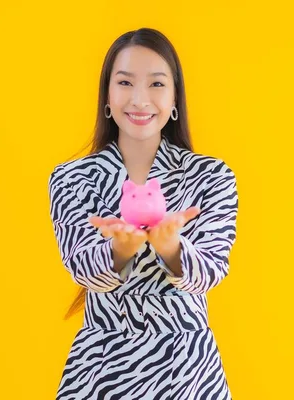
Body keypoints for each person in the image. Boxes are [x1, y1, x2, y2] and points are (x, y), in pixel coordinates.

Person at [48, 27, 238, 400]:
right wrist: (119, 250)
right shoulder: (71, 179)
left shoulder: (212, 177)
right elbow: (81, 267)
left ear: (174, 98)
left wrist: (172, 249)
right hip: (101, 370)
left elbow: (212, 271)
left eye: (156, 84)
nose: (139, 99)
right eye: (124, 82)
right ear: (106, 95)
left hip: (189, 370)